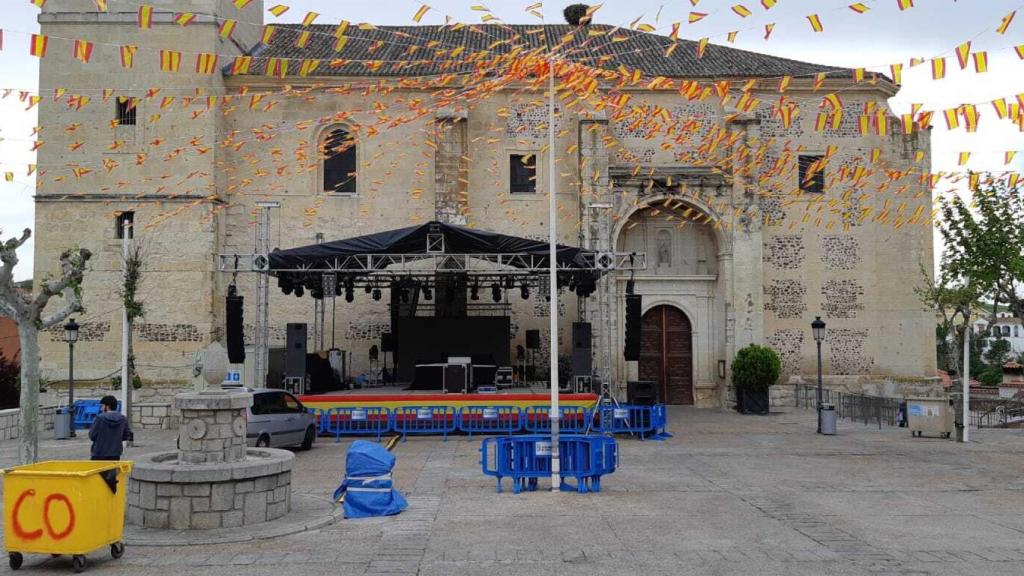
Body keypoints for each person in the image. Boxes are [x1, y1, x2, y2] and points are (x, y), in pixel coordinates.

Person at [89, 395, 131, 460]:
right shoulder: (123, 419)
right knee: (112, 470)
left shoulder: (99, 418)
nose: (101, 408)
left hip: (99, 452)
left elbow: (92, 435)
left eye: (102, 406)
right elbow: (127, 435)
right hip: (115, 453)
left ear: (107, 406)